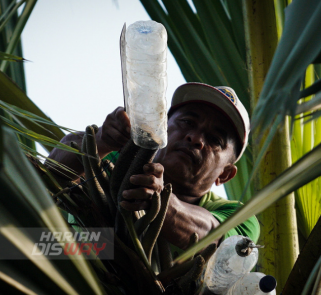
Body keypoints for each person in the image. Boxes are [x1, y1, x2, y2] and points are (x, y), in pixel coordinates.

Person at [49, 83, 259, 250]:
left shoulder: (240, 217)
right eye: (187, 122)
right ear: (161, 128)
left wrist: (160, 202)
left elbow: (213, 236)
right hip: (60, 266)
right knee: (31, 242)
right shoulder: (114, 163)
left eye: (214, 139)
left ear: (225, 174)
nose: (195, 137)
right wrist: (102, 139)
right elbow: (52, 170)